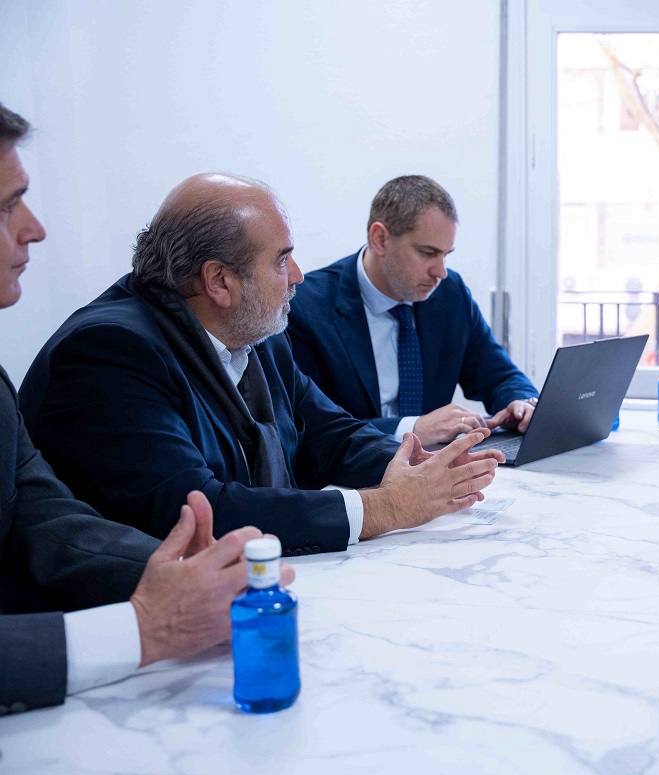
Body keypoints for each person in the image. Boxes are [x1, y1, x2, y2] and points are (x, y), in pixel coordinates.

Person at [19, 172, 503, 557]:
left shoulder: (253, 330)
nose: (297, 276)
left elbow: (329, 434)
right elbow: (197, 511)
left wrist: (421, 465)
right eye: (281, 260)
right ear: (219, 282)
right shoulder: (109, 353)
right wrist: (384, 507)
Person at [0, 102, 293, 714]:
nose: (35, 229)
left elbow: (49, 522)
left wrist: (197, 575)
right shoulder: (110, 346)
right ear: (218, 281)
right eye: (7, 206)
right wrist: (142, 629)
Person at [287, 175, 538, 445]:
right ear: (380, 239)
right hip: (352, 469)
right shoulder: (305, 307)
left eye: (446, 255)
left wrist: (522, 402)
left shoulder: (449, 293)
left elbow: (499, 375)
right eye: (428, 253)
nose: (440, 272)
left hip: (437, 464)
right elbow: (307, 426)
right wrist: (409, 429)